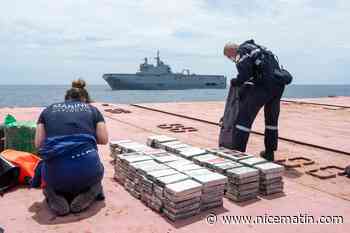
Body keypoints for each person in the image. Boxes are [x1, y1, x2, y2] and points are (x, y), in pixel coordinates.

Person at [34, 79, 108, 216]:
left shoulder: (47, 110)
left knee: (48, 174)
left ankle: (53, 195)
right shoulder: (93, 110)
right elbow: (104, 139)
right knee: (98, 173)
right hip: (87, 170)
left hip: (55, 175)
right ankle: (90, 193)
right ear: (85, 98)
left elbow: (38, 144)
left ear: (66, 98)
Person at [223, 40, 286, 161]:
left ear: (232, 50)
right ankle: (269, 152)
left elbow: (245, 74)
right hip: (278, 85)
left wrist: (236, 81)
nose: (231, 59)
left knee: (243, 120)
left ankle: (237, 154)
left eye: (228, 56)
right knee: (271, 122)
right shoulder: (259, 49)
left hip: (264, 86)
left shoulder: (242, 51)